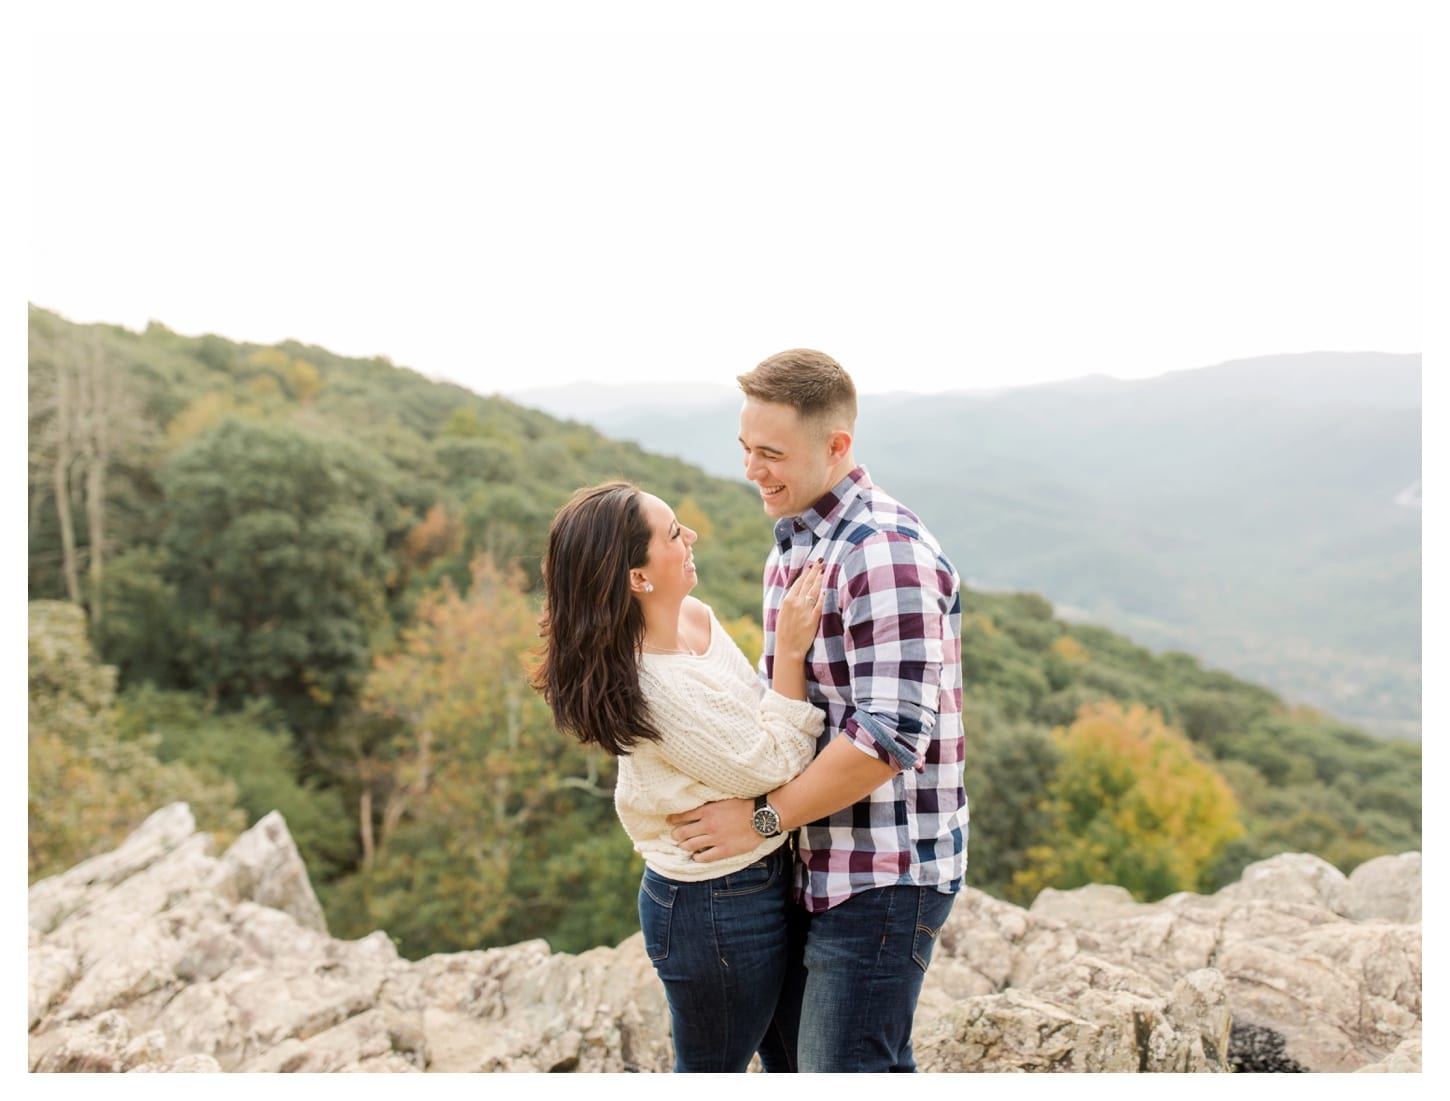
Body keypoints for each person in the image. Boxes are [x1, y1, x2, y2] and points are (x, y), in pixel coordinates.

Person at [665, 349, 969, 1073]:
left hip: (883, 874)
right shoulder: (793, 548)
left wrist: (760, 818)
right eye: (745, 449)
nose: (751, 470)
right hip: (807, 865)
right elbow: (789, 714)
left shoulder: (883, 551)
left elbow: (886, 739)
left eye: (771, 453)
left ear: (837, 447)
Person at [530, 481, 827, 1073]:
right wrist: (790, 652)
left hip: (764, 872)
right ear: (638, 579)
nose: (689, 536)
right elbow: (775, 760)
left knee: (797, 1065)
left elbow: (761, 723)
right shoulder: (653, 686)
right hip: (713, 906)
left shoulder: (695, 618)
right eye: (671, 534)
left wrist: (763, 806)